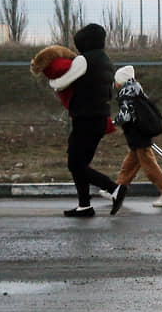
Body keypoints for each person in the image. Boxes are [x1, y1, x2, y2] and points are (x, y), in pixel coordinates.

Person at [48, 24, 123, 217]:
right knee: (79, 164)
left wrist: (51, 81)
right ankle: (84, 206)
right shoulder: (106, 60)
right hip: (98, 119)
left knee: (76, 164)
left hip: (86, 119)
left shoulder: (84, 60)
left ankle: (114, 189)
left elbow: (62, 82)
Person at [112, 65, 162, 208]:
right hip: (139, 135)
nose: (114, 83)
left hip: (138, 135)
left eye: (116, 80)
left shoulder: (125, 94)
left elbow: (126, 116)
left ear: (121, 81)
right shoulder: (136, 90)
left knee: (149, 166)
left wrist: (113, 122)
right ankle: (117, 189)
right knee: (128, 166)